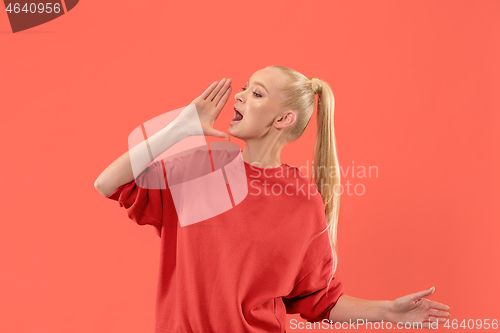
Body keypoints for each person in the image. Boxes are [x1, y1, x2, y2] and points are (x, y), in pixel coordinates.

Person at [94, 66, 451, 332]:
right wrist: (181, 128)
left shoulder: (303, 204)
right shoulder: (199, 169)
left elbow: (320, 300)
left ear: (284, 119)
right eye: (246, 88)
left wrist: (389, 311)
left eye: (257, 94)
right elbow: (108, 183)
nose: (239, 96)